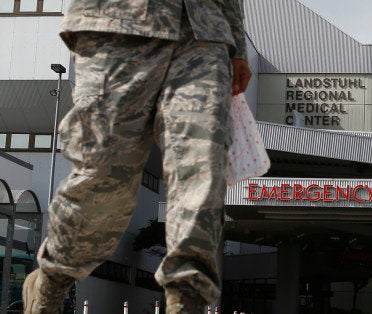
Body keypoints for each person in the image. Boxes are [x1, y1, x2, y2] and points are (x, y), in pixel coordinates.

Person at [22, 0, 251, 313]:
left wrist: (237, 46)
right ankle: (53, 276)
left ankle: (187, 298)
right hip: (117, 24)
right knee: (105, 173)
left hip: (202, 32)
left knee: (202, 165)